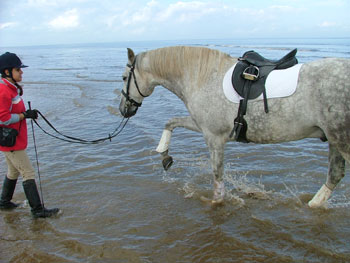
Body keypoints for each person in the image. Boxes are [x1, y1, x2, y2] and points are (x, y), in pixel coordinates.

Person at [0, 52, 60, 218]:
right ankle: (37, 210)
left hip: (12, 140)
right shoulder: (4, 90)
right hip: (10, 141)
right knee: (28, 173)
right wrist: (23, 116)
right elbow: (2, 118)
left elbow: (12, 111)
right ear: (7, 72)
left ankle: (4, 202)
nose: (21, 72)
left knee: (13, 171)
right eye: (18, 69)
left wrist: (26, 113)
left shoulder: (11, 89)